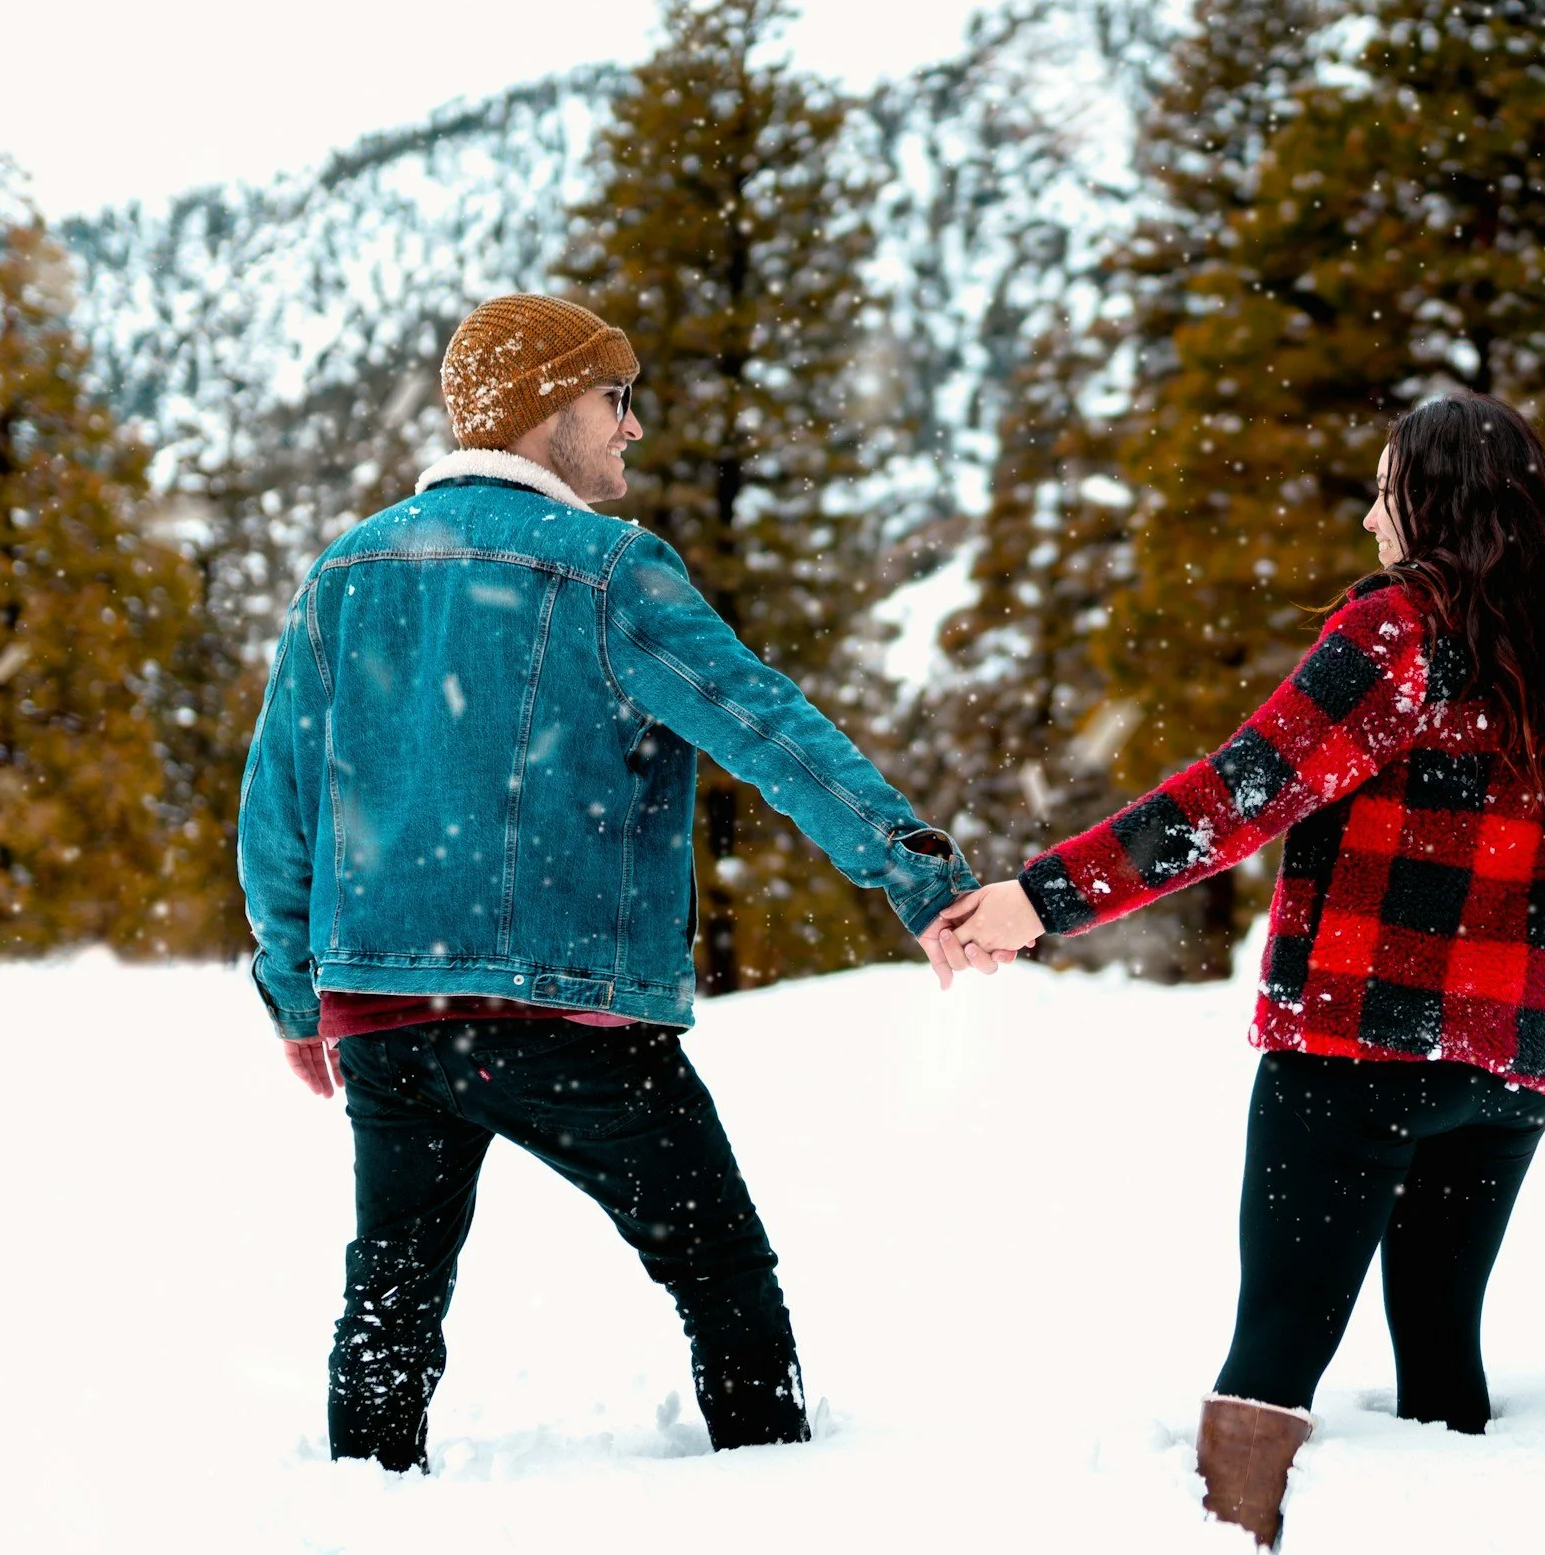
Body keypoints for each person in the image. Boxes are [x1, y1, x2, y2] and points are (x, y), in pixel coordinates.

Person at [238, 294, 1000, 1473]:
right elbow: (770, 729)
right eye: (614, 399)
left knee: (390, 1293)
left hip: (389, 1015)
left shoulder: (347, 570)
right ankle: (780, 1487)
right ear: (546, 410)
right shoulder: (608, 571)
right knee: (720, 1270)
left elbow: (279, 812)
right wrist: (915, 875)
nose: (631, 428)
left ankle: (361, 1508)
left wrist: (301, 1000)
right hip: (572, 1014)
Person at [942, 392, 1545, 1550]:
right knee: (1441, 1356)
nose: (1371, 517)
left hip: (1361, 1043)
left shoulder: (1406, 628)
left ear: (1433, 501)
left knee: (1274, 1353)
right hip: (1514, 1070)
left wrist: (1043, 896)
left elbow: (1241, 791)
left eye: (1386, 489)